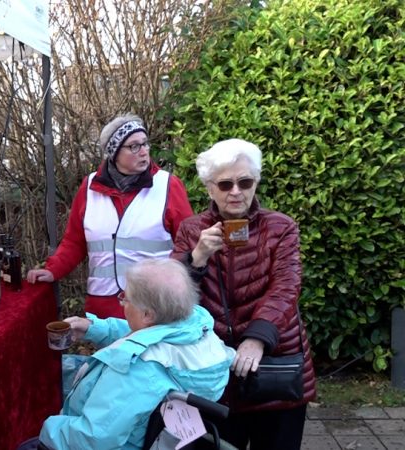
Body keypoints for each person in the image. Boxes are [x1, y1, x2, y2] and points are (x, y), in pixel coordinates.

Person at [170, 138, 316, 450]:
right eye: (225, 184)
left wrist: (258, 337)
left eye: (244, 181)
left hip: (274, 370)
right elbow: (172, 297)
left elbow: (286, 286)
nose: (236, 192)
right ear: (210, 188)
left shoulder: (281, 227)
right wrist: (197, 257)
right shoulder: (191, 230)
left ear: (256, 183)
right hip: (214, 376)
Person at [19, 258, 234, 450]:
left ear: (148, 314)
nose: (122, 302)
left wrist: (49, 427)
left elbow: (94, 438)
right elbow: (156, 337)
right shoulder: (196, 329)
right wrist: (93, 328)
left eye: (126, 298)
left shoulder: (136, 372)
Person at [26, 115, 193, 319]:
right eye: (133, 146)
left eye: (145, 144)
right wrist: (53, 270)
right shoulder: (89, 188)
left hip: (154, 306)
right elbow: (74, 241)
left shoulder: (168, 185)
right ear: (114, 153)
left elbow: (187, 244)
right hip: (103, 308)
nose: (143, 152)